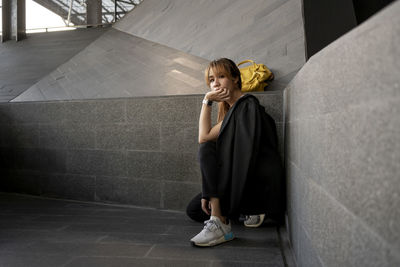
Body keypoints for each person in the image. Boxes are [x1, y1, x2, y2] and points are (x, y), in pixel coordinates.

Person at [188, 58, 284, 247]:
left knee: (208, 149)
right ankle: (242, 212)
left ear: (235, 79)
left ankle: (220, 222)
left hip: (254, 180)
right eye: (211, 79)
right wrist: (207, 100)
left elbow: (241, 155)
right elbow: (204, 135)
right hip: (235, 177)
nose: (215, 83)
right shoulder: (232, 112)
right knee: (193, 210)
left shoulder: (248, 105)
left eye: (221, 77)